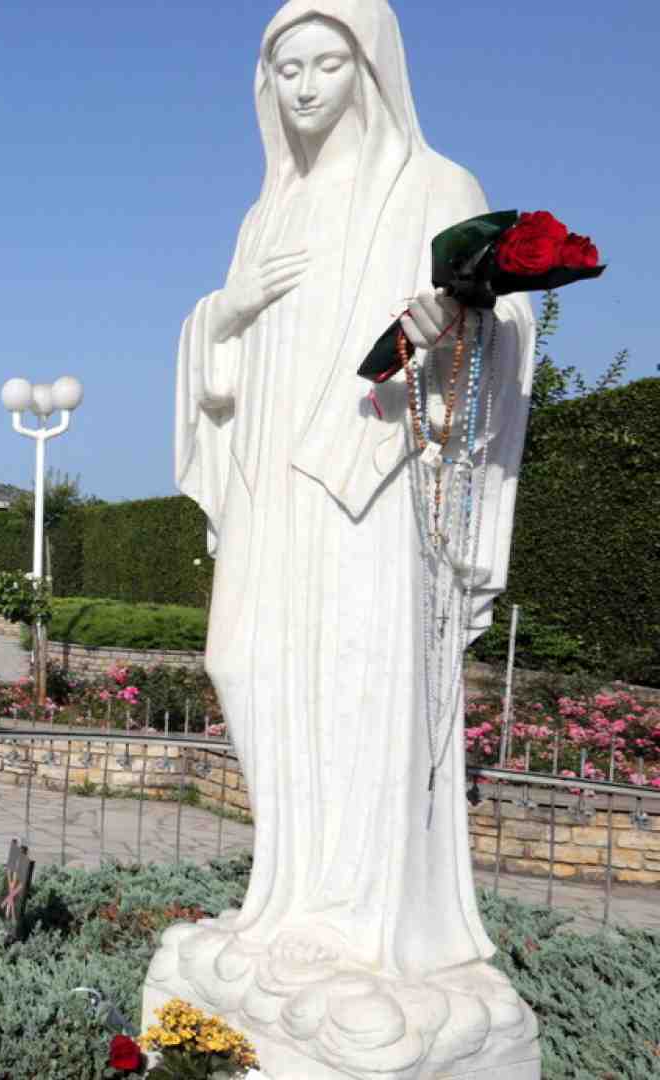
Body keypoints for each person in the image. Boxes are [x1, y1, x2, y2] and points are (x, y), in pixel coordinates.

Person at [149, 0, 539, 1065]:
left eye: (327, 62)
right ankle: (286, 901)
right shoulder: (264, 212)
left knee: (359, 687)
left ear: (369, 69)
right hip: (276, 485)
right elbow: (222, 357)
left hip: (377, 488)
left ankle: (363, 930)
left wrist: (454, 329)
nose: (307, 85)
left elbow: (499, 327)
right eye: (287, 68)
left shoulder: (434, 187)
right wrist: (219, 320)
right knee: (243, 663)